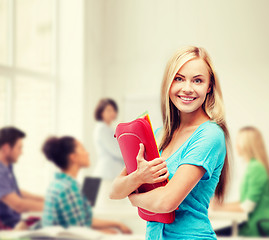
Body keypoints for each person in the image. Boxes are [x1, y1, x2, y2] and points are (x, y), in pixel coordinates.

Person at [110, 46, 230, 240]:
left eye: (197, 80)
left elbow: (167, 201)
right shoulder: (159, 135)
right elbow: (115, 191)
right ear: (169, 83)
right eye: (179, 78)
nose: (187, 88)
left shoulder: (210, 135)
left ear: (209, 87)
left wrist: (133, 198)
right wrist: (139, 177)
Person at [41, 136, 132, 234]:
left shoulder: (59, 184)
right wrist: (109, 232)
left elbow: (85, 221)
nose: (87, 153)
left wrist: (116, 224)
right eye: (82, 149)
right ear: (73, 157)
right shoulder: (69, 188)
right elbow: (78, 232)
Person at [213, 126, 269, 236]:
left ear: (248, 146)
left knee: (212, 235)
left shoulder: (256, 168)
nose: (236, 146)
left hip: (257, 227)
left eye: (239, 142)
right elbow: (245, 201)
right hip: (251, 224)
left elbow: (247, 206)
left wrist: (220, 207)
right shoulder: (253, 166)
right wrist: (220, 205)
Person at [0, 127, 44, 229]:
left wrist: (45, 199)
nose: (21, 152)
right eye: (19, 148)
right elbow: (18, 205)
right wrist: (53, 207)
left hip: (16, 222)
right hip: (7, 227)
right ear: (6, 148)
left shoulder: (7, 167)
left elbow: (14, 192)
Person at [93, 98, 124, 180]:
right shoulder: (102, 128)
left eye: (114, 110)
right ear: (101, 112)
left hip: (109, 172)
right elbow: (117, 151)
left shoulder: (107, 128)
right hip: (107, 173)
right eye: (108, 110)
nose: (112, 113)